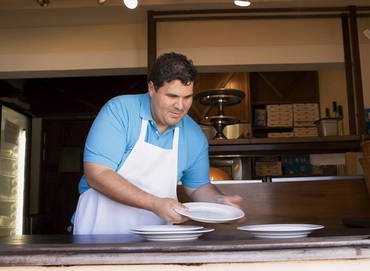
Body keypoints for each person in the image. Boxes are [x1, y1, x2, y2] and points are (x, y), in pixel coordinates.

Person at [73, 52, 243, 234]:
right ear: (152, 89)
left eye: (187, 97)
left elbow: (198, 187)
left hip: (156, 237)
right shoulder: (120, 111)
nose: (180, 106)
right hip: (100, 232)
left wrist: (219, 203)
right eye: (172, 96)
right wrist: (154, 203)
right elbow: (97, 174)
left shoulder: (193, 134)